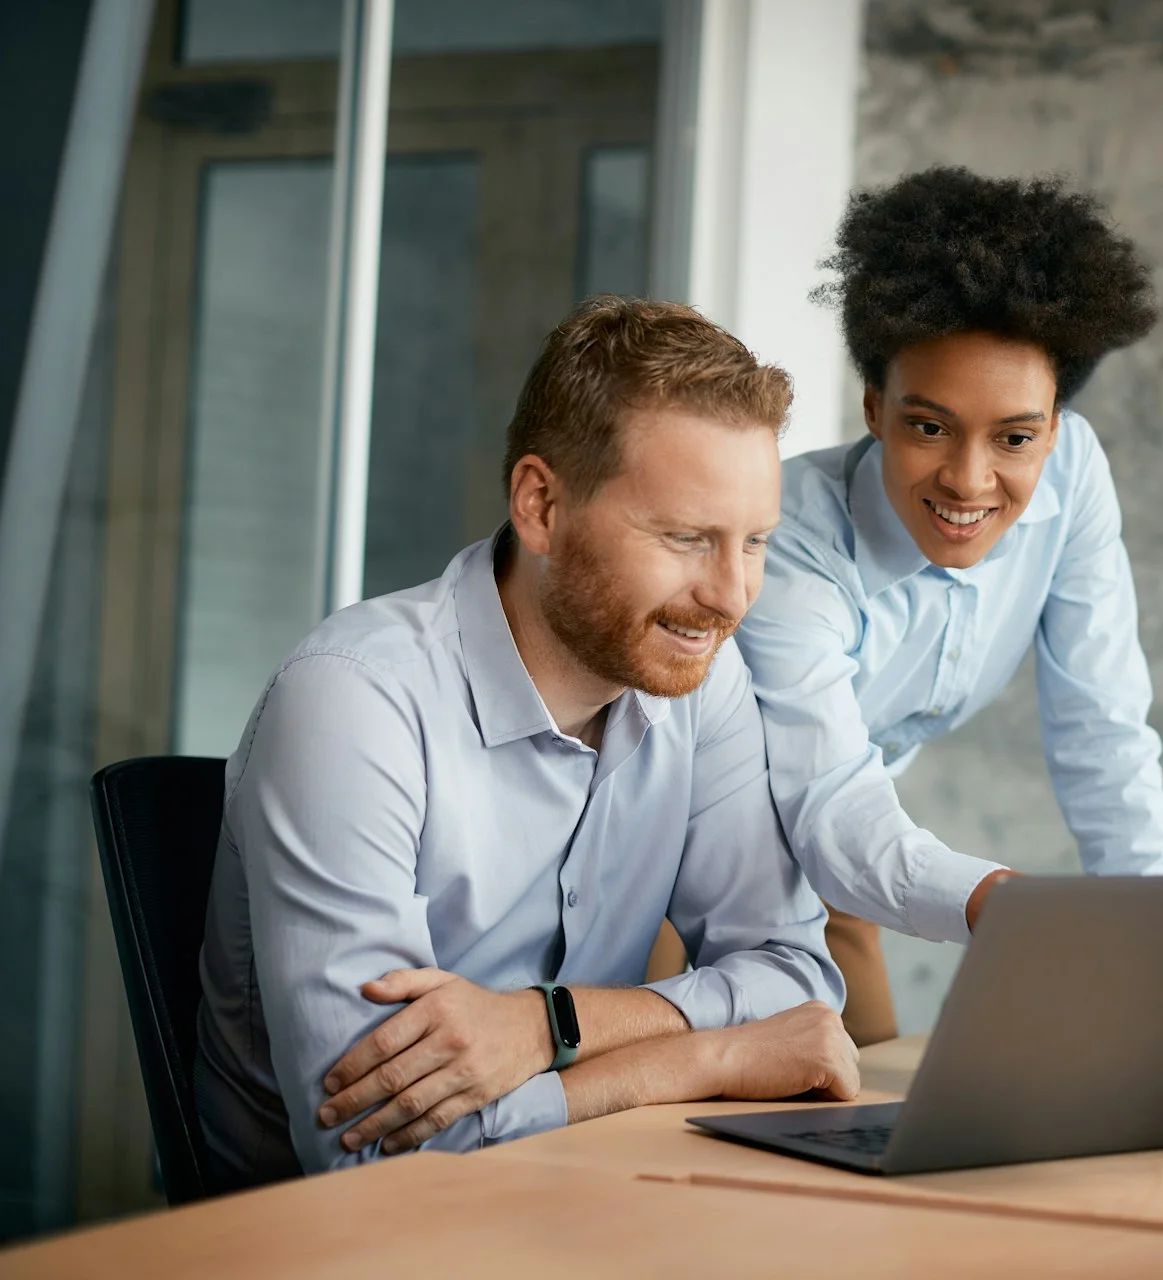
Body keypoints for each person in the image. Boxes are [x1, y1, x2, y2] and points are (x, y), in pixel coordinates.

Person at [194, 297, 856, 1189]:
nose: (731, 596)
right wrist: (705, 1058)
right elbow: (376, 1149)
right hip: (349, 1239)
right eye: (686, 538)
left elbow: (796, 978)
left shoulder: (702, 676)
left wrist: (546, 1025)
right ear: (541, 505)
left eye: (756, 543)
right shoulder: (353, 701)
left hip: (590, 1201)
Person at [736, 167, 1163, 1044]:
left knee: (867, 1094)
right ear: (875, 408)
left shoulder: (1072, 475)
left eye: (1015, 437)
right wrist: (996, 902)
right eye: (929, 427)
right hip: (690, 865)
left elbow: (1103, 730)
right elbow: (825, 797)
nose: (970, 480)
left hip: (847, 859)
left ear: (1054, 429)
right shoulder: (786, 538)